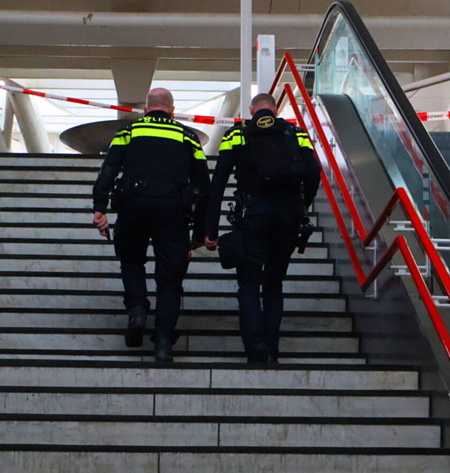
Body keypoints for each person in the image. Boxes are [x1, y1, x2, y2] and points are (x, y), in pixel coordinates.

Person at [92, 88, 210, 362]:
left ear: (146, 109)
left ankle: (137, 311)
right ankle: (164, 342)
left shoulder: (129, 130)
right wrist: (203, 228)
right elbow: (204, 185)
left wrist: (99, 207)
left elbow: (108, 168)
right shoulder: (188, 136)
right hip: (174, 212)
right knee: (170, 280)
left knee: (132, 261)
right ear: (172, 110)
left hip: (133, 206)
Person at [204, 93, 320, 364]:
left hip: (253, 217)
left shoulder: (238, 134)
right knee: (274, 284)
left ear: (252, 109)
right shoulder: (295, 132)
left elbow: (219, 181)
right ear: (276, 109)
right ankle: (273, 348)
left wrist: (209, 228)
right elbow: (314, 172)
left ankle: (255, 345)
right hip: (289, 217)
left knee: (249, 282)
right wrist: (304, 206)